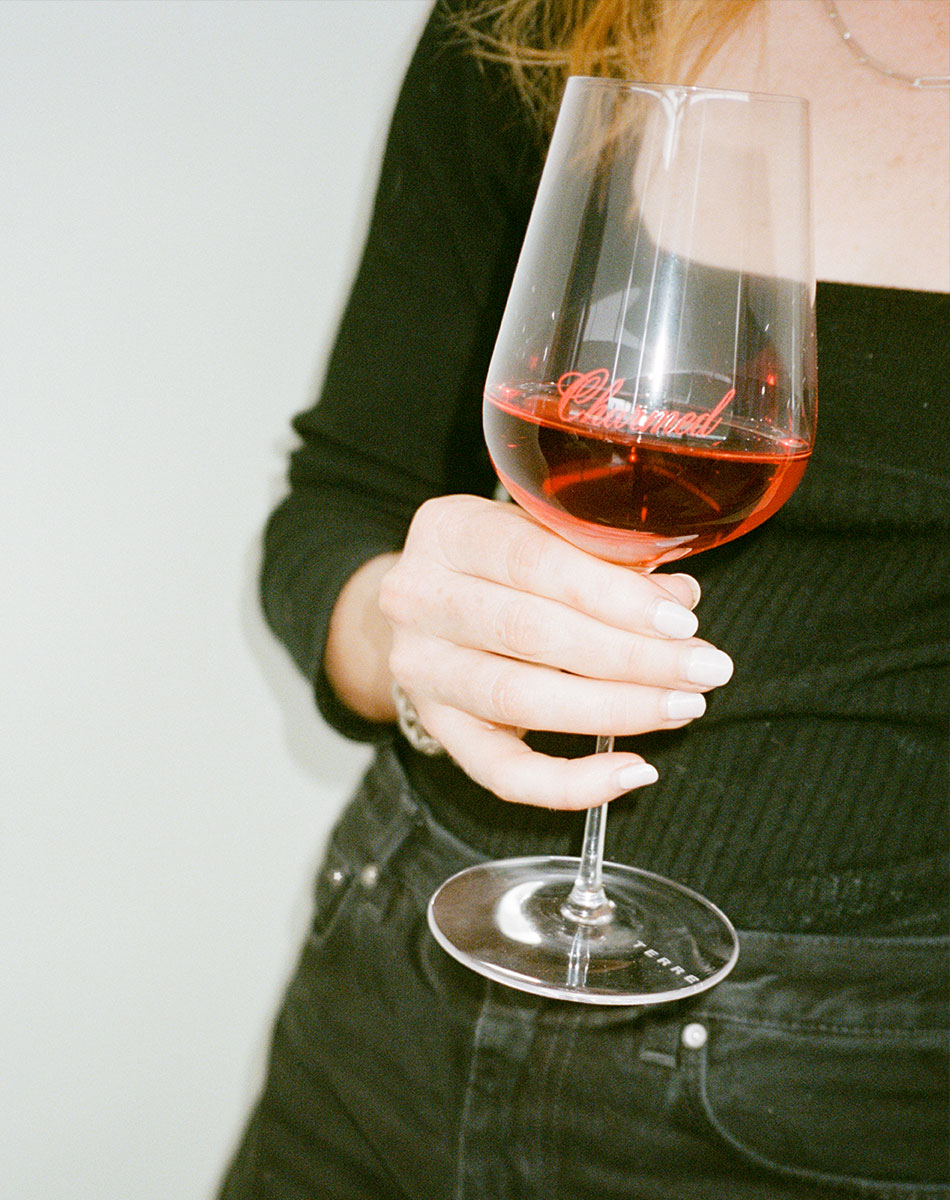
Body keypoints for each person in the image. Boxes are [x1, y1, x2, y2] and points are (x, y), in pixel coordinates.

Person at [219, 1, 949, 1196]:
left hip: (859, 1111)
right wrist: (404, 637)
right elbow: (339, 500)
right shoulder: (557, 16)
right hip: (387, 1001)